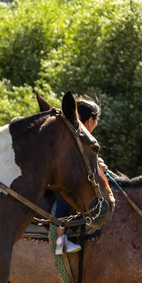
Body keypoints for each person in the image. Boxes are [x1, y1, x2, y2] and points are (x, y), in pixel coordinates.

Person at [54, 98, 101, 255]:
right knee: (66, 197)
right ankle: (61, 241)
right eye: (97, 120)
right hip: (58, 181)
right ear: (89, 121)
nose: (97, 124)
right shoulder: (77, 136)